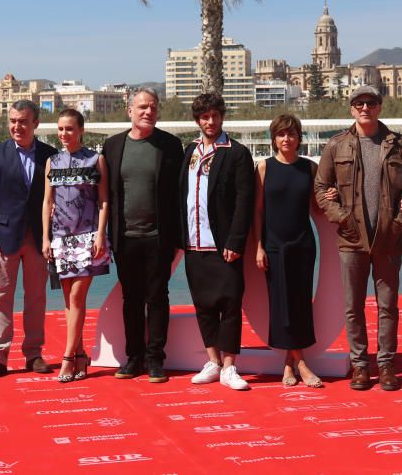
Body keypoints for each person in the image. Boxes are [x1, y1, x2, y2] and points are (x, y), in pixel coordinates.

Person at [314, 85, 402, 391]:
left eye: (370, 103)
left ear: (379, 107)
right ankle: (360, 366)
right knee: (353, 306)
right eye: (359, 103)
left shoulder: (399, 145)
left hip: (388, 239)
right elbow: (322, 189)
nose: (365, 108)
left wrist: (400, 221)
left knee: (388, 307)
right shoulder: (336, 145)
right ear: (351, 109)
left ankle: (386, 366)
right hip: (351, 239)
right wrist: (341, 218)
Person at [102, 88, 183, 383]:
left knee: (157, 298)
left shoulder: (171, 146)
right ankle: (132, 357)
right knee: (131, 300)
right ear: (130, 111)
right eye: (142, 107)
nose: (148, 112)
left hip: (159, 238)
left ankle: (155, 359)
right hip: (124, 239)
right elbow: (103, 194)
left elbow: (179, 194)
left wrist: (178, 238)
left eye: (153, 107)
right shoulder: (112, 147)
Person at [179, 92, 254, 391]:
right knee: (203, 305)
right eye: (204, 117)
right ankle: (212, 360)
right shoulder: (190, 151)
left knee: (230, 305)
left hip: (223, 244)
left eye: (215, 116)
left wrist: (236, 240)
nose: (210, 121)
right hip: (194, 242)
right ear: (197, 120)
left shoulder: (236, 152)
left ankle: (229, 365)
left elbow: (244, 201)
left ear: (222, 116)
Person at [0, 100, 56, 378]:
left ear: (35, 123)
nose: (16, 126)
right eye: (12, 121)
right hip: (3, 239)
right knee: (0, 297)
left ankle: (33, 354)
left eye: (22, 121)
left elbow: (57, 199)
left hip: (39, 240)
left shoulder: (51, 155)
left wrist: (54, 238)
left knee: (36, 298)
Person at [41, 108, 111, 382]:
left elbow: (104, 200)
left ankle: (68, 358)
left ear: (81, 130)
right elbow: (47, 202)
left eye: (69, 128)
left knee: (77, 299)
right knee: (69, 303)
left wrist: (100, 235)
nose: (63, 134)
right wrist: (46, 238)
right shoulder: (52, 161)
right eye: (60, 129)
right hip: (60, 238)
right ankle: (81, 355)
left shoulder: (96, 160)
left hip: (87, 237)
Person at [253, 114, 322, 388]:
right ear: (274, 139)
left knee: (301, 304)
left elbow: (317, 208)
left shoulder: (310, 168)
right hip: (273, 246)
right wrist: (258, 246)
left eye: (291, 134)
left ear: (299, 138)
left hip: (303, 244)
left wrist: (331, 196)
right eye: (281, 134)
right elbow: (257, 212)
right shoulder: (263, 168)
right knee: (280, 305)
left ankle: (288, 365)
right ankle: (301, 363)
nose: (286, 139)